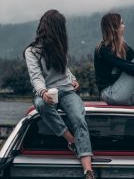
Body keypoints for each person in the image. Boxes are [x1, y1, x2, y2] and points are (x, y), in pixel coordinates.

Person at [24, 10, 95, 179]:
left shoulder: (60, 48)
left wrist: (74, 79)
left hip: (68, 91)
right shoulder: (32, 51)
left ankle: (88, 170)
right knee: (40, 104)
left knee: (79, 118)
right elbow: (36, 76)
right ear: (54, 28)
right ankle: (71, 140)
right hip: (47, 92)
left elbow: (65, 70)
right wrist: (43, 92)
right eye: (61, 27)